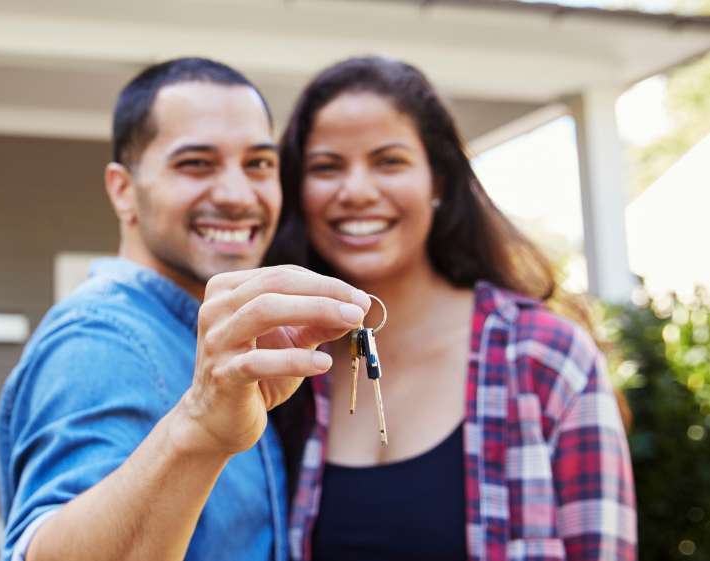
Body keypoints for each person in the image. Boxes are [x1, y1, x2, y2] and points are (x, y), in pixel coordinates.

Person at [0, 58, 372, 561]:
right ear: (123, 191)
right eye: (196, 163)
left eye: (259, 163)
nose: (239, 196)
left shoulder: (214, 335)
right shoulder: (99, 340)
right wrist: (197, 427)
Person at [266, 56, 637, 561]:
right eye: (326, 167)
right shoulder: (280, 362)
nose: (354, 191)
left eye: (388, 161)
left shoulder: (547, 357)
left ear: (437, 182)